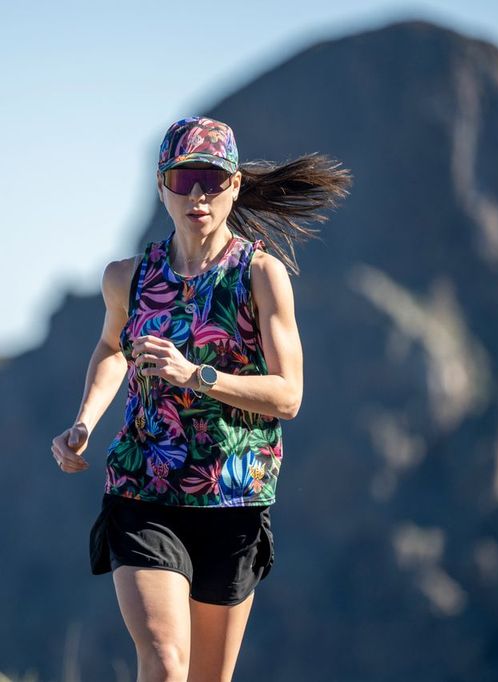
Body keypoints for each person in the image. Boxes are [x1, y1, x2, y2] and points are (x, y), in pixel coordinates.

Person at [51, 116, 351, 682]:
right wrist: (85, 421)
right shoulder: (128, 279)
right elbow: (113, 348)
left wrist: (196, 375)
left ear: (234, 185)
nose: (197, 195)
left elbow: (289, 395)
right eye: (183, 179)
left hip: (233, 497)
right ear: (161, 186)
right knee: (166, 664)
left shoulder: (261, 275)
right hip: (144, 487)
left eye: (211, 180)